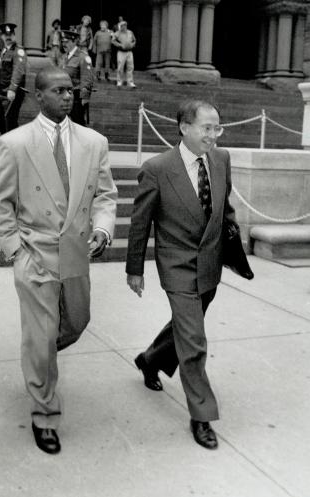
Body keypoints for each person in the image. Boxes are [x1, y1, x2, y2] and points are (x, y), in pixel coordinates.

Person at [0, 66, 118, 455]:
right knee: (43, 337)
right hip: (35, 255)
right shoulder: (14, 143)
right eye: (59, 91)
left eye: (72, 90)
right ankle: (44, 413)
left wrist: (103, 228)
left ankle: (37, 356)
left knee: (76, 323)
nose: (68, 96)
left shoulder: (94, 142)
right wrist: (16, 251)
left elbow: (105, 195)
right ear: (38, 96)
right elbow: (1, 204)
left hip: (77, 252)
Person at [126, 100, 236, 450]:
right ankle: (202, 415)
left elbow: (224, 204)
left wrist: (231, 241)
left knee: (185, 328)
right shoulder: (157, 168)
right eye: (207, 127)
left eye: (217, 128)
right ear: (184, 127)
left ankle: (150, 359)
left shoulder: (221, 160)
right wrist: (134, 269)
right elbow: (140, 221)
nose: (213, 135)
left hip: (210, 263)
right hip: (176, 265)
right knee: (194, 341)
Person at [0, 23, 27, 134]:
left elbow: (18, 71)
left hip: (12, 91)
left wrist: (12, 89)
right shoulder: (4, 51)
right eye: (5, 35)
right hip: (1, 92)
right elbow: (0, 73)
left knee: (10, 120)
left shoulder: (19, 50)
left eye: (11, 34)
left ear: (14, 35)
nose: (8, 37)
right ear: (1, 36)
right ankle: (12, 139)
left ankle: (12, 145)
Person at [61, 29, 93, 126]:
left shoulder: (83, 57)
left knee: (78, 124)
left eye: (67, 42)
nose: (64, 44)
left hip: (76, 97)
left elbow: (87, 78)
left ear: (74, 41)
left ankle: (85, 141)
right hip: (65, 95)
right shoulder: (65, 57)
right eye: (63, 42)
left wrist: (85, 97)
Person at [112, 21, 136, 88]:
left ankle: (130, 82)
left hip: (129, 52)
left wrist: (132, 44)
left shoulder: (130, 32)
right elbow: (113, 40)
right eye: (122, 25)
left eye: (125, 25)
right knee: (120, 67)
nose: (124, 27)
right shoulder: (117, 33)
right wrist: (119, 45)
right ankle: (119, 81)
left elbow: (134, 40)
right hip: (121, 52)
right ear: (120, 26)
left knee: (130, 67)